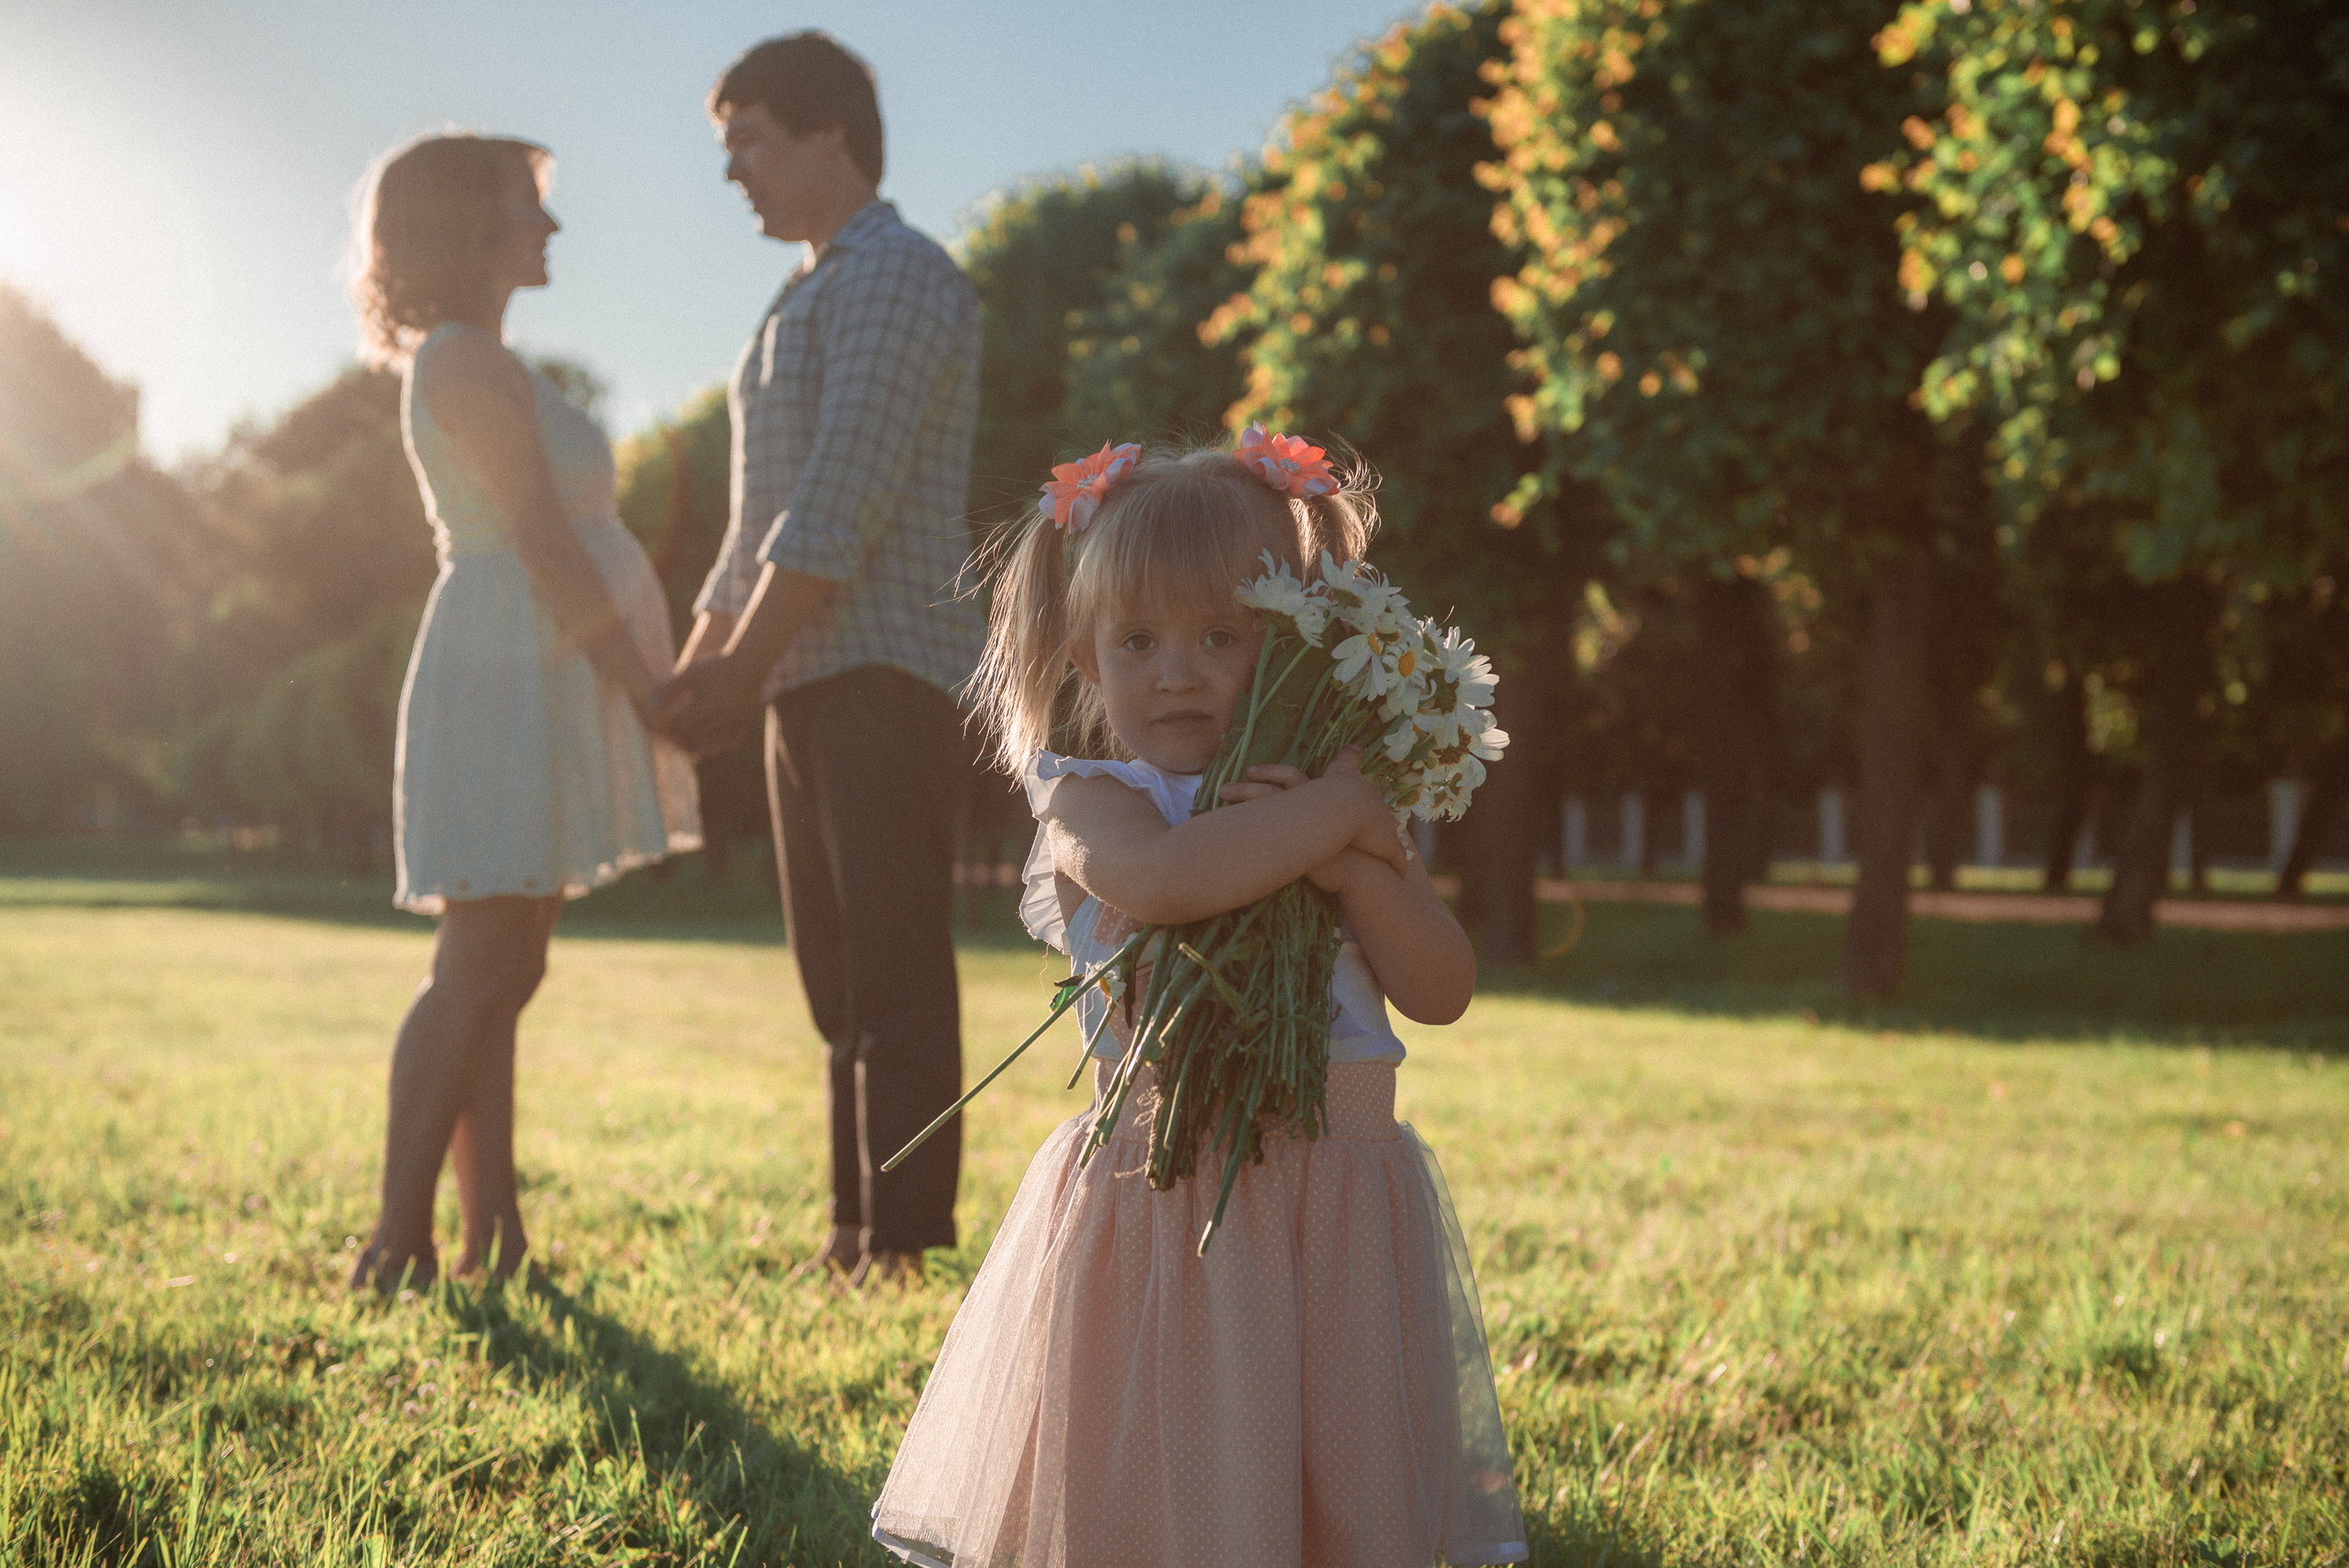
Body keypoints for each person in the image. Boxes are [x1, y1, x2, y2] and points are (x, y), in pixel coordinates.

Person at [868, 438, 1529, 1568]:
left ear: (1295, 643)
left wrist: (1365, 865)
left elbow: (1440, 988)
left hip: (1338, 1199)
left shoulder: (1336, 806)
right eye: (1138, 641)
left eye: (1222, 637)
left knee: (1340, 1483)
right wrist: (1339, 817)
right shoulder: (1090, 798)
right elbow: (1172, 882)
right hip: (1173, 1205)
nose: (1178, 672)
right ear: (1084, 657)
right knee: (1175, 1480)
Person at [346, 132, 700, 1291]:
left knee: (507, 964)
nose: (549, 228)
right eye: (528, 207)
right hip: (508, 664)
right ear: (469, 226)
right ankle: (396, 1237)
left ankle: (490, 1227)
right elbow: (543, 543)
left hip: (529, 667)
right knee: (482, 957)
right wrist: (645, 687)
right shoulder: (456, 358)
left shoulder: (489, 356)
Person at [662, 32, 984, 1287]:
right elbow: (756, 527)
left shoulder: (900, 276)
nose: (732, 171)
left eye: (747, 140)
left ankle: (900, 1241)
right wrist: (704, 664)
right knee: (832, 972)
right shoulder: (800, 295)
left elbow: (838, 504)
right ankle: (853, 1229)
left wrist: (736, 673)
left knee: (894, 958)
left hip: (887, 669)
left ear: (828, 134)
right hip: (802, 668)